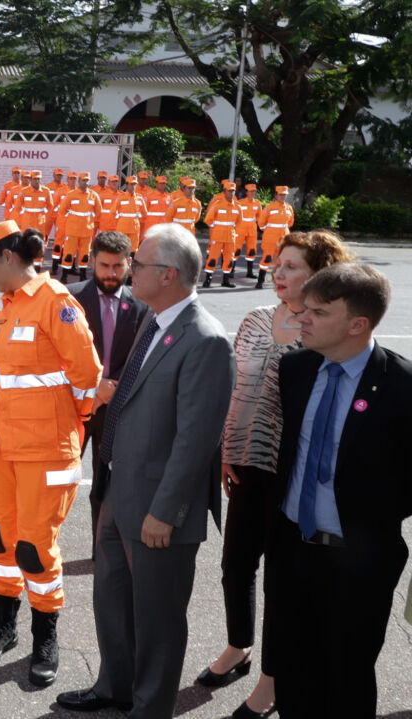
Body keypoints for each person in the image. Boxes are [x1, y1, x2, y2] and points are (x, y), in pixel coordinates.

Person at [57, 222, 235, 717]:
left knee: (157, 618)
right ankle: (114, 687)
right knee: (112, 602)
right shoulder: (153, 319)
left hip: (159, 508)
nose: (129, 269)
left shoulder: (205, 340)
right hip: (119, 490)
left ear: (169, 275)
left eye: (139, 263)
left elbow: (196, 440)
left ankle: (149, 708)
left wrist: (168, 511)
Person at [197, 230, 353, 719]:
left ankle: (272, 678)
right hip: (244, 463)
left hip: (292, 474)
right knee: (235, 565)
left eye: (291, 266)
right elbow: (235, 389)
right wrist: (225, 448)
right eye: (277, 263)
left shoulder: (323, 331)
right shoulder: (255, 319)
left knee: (281, 582)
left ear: (318, 275)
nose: (277, 273)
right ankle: (238, 647)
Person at [0, 220, 101, 688]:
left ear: (9, 257)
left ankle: (46, 635)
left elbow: (88, 377)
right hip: (2, 447)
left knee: (34, 549)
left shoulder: (54, 302)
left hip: (47, 450)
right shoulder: (6, 311)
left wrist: (67, 431)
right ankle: (5, 626)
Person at [268, 262, 411, 717]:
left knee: (345, 680)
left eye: (317, 312)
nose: (301, 319)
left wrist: (370, 520)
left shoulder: (402, 385)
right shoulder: (295, 369)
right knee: (292, 672)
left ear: (357, 324)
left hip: (359, 562)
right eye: (303, 309)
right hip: (293, 550)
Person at [66, 231, 150, 560]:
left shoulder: (141, 307)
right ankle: (39, 549)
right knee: (58, 482)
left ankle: (100, 553)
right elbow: (57, 354)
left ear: (129, 264)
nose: (111, 273)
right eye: (104, 265)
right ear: (92, 261)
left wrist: (112, 387)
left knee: (104, 487)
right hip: (74, 407)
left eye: (118, 266)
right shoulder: (69, 300)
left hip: (115, 410)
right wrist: (89, 389)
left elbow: (141, 358)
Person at [60, 171, 101, 282]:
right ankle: (64, 277)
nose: (85, 182)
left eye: (87, 180)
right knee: (68, 254)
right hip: (72, 230)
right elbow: (62, 211)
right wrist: (70, 221)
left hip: (87, 231)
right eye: (83, 180)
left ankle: (82, 276)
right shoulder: (71, 194)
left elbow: (98, 212)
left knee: (85, 255)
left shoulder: (94, 195)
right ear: (79, 181)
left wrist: (90, 222)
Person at [203, 179, 242, 288]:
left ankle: (225, 280)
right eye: (229, 191)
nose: (231, 193)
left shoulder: (238, 206)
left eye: (233, 191)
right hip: (218, 234)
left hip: (230, 236)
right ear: (224, 191)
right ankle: (208, 279)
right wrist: (216, 228)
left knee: (229, 257)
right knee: (213, 257)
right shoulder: (217, 204)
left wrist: (234, 231)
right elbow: (208, 219)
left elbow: (239, 222)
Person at [256, 187, 294, 289]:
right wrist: (270, 231)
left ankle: (278, 281)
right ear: (276, 195)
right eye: (281, 194)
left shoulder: (289, 208)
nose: (283, 196)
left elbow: (290, 223)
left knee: (282, 260)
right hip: (271, 238)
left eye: (284, 194)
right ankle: (260, 281)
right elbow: (261, 223)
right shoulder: (269, 208)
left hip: (284, 237)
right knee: (267, 258)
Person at [236, 184, 262, 280]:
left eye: (254, 191)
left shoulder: (257, 203)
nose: (252, 193)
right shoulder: (239, 203)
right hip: (241, 228)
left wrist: (261, 228)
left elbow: (260, 217)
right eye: (250, 191)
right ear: (246, 192)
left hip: (252, 229)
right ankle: (230, 271)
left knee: (252, 250)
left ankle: (249, 272)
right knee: (236, 249)